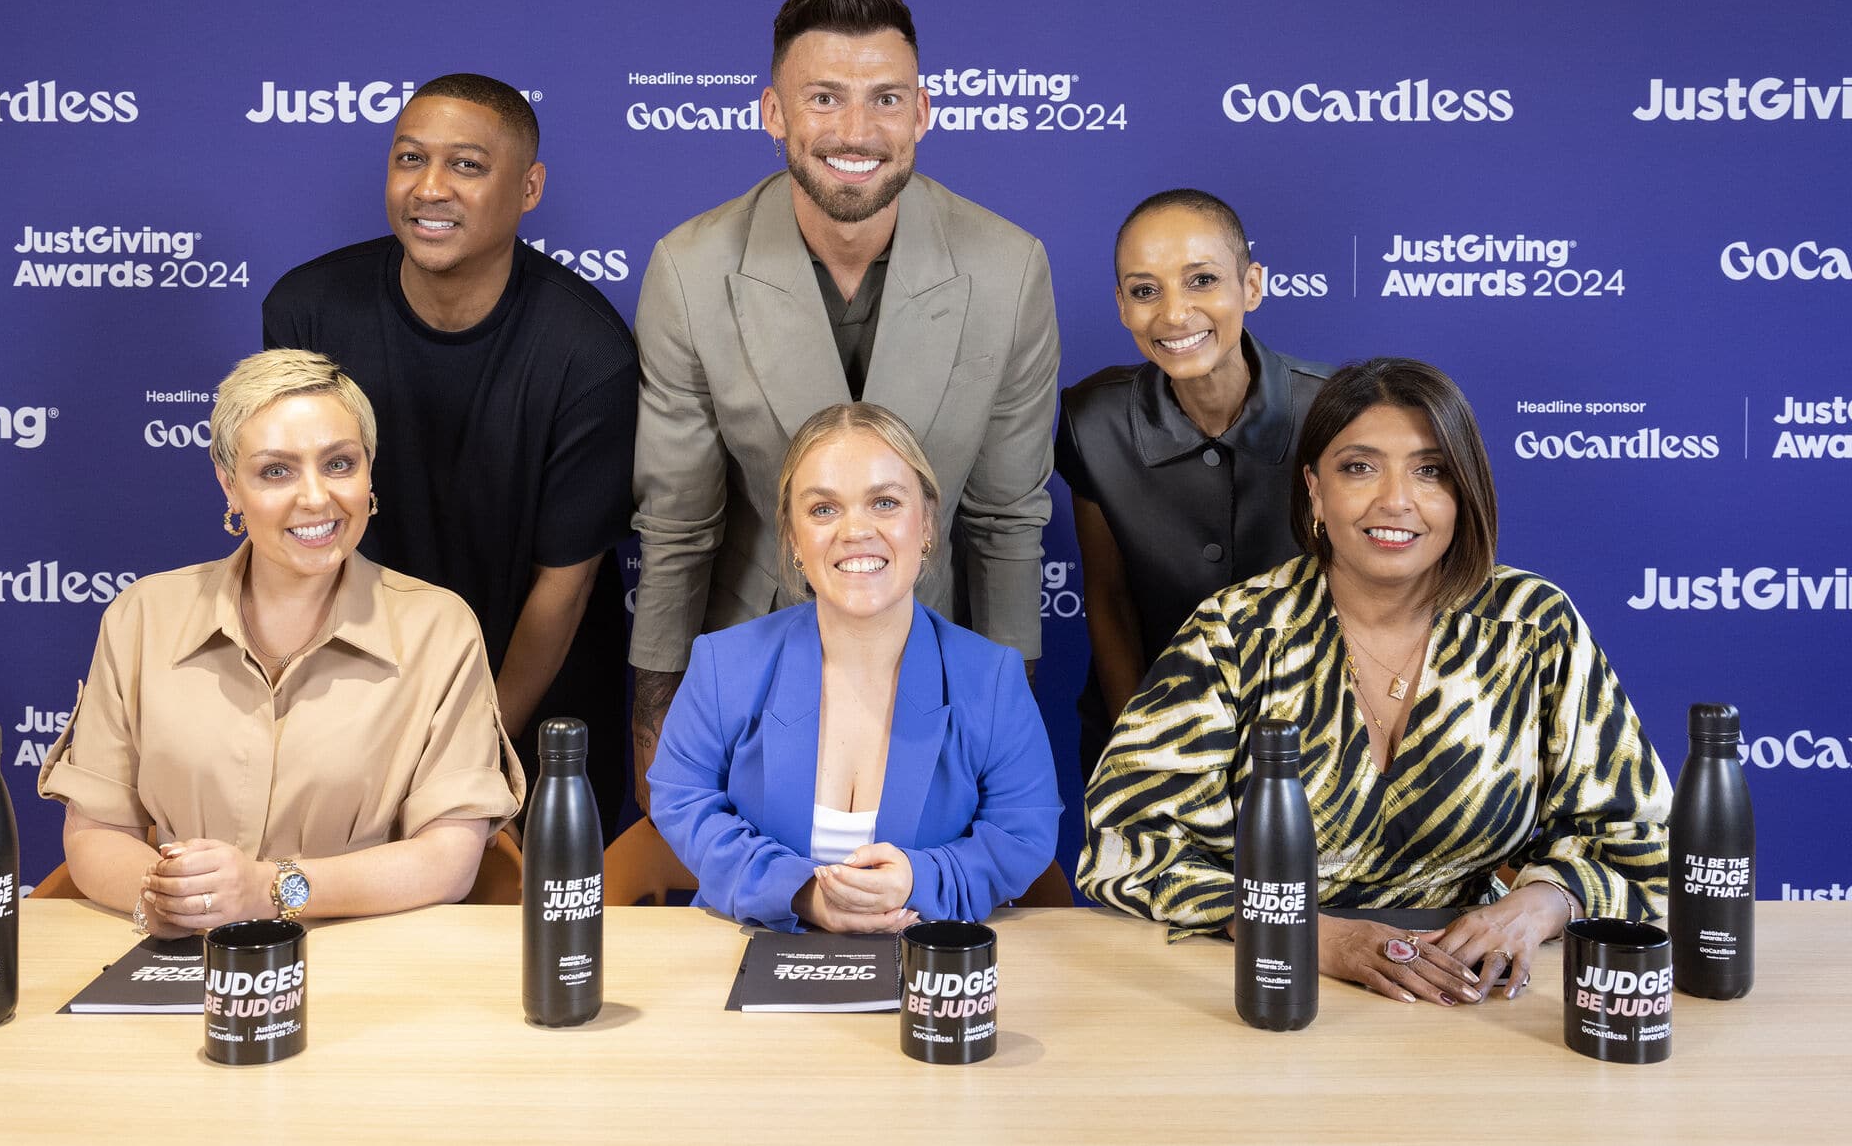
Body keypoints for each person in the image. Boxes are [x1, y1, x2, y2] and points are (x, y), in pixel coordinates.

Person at [1077, 358, 1670, 1002]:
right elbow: (1126, 847)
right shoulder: (1237, 632)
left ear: (1464, 490)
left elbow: (1641, 839)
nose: (1396, 500)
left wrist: (1538, 904)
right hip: (1266, 979)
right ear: (1314, 490)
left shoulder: (1531, 626)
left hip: (1471, 986)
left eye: (1430, 470)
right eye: (1359, 468)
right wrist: (1314, 937)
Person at [631, 0, 1060, 811]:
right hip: (751, 663)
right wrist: (656, 722)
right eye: (823, 98)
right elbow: (678, 527)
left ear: (923, 114)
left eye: (885, 99)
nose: (856, 132)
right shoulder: (689, 268)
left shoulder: (1011, 269)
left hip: (935, 659)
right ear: (773, 114)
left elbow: (1007, 522)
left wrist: (1005, 722)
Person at [39, 350, 524, 936]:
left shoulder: (440, 629)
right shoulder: (140, 618)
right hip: (181, 956)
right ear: (229, 483)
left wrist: (269, 890)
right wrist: (172, 899)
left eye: (340, 464)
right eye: (276, 471)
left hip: (370, 961)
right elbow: (97, 834)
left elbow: (450, 860)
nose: (316, 498)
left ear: (370, 471)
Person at [263, 74, 636, 833]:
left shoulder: (587, 352)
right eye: (409, 159)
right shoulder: (307, 310)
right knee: (334, 925)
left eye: (466, 165)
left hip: (530, 711)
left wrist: (469, 750)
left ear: (528, 188)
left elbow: (561, 594)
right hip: (350, 699)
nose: (430, 188)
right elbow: (292, 541)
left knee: (523, 944)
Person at [649, 403, 1060, 933]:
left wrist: (920, 878)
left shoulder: (994, 679)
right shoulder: (722, 665)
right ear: (794, 538)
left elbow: (1023, 833)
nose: (855, 530)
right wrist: (800, 896)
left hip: (926, 974)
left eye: (884, 502)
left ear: (928, 523)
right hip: (752, 966)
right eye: (823, 510)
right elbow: (683, 801)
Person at [1056, 189, 1331, 776]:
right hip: (1145, 728)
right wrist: (1141, 752)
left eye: (1201, 280)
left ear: (1251, 286)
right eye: (1145, 291)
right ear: (1122, 306)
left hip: (1315, 741)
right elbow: (1108, 599)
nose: (1174, 314)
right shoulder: (1091, 418)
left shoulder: (1338, 414)